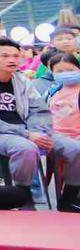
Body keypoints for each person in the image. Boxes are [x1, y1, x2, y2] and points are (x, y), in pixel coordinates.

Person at [0, 37, 76, 203]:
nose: (11, 60)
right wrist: (28, 134)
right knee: (25, 148)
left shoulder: (23, 80)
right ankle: (23, 195)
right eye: (5, 56)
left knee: (74, 149)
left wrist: (38, 132)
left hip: (27, 129)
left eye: (15, 56)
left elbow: (39, 110)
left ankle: (69, 198)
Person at [40, 50, 80, 211]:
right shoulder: (52, 92)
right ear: (52, 73)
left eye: (70, 70)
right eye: (60, 71)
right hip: (54, 137)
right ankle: (68, 199)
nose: (66, 74)